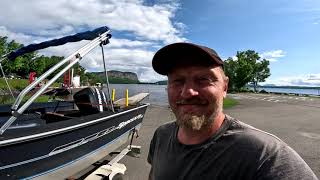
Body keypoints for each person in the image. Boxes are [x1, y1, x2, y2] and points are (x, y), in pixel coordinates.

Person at [148, 42, 318, 180]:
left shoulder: (265, 155)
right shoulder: (161, 135)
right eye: (178, 81)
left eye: (203, 79)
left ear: (225, 87)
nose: (187, 92)